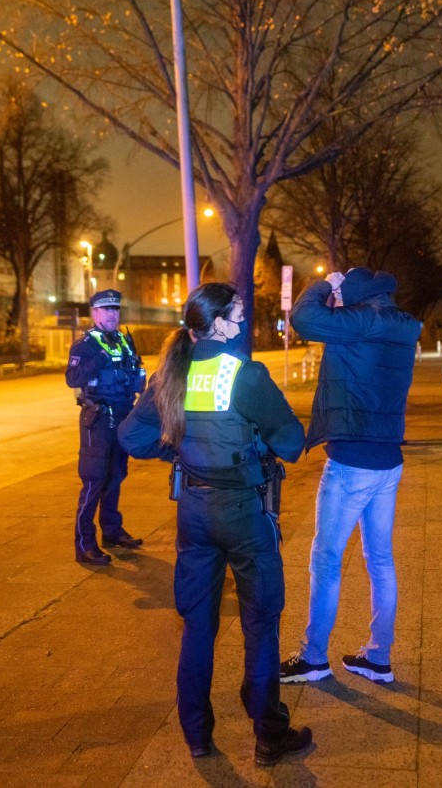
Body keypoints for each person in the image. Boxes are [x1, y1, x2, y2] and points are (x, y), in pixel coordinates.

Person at [117, 282, 312, 766]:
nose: (243, 322)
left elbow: (132, 438)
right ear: (218, 323)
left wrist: (183, 449)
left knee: (197, 627)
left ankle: (198, 736)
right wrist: (253, 448)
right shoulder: (244, 375)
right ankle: (269, 735)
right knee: (261, 625)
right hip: (244, 511)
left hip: (195, 514)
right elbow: (292, 443)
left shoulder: (169, 375)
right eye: (238, 314)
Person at [279, 268, 421, 686]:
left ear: (355, 293)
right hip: (387, 459)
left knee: (325, 559)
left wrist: (326, 283)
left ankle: (313, 657)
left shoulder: (361, 321)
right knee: (380, 560)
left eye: (343, 294)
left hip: (351, 459)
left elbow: (303, 318)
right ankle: (378, 656)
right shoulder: (402, 325)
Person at [65, 289, 146, 565]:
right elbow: (72, 378)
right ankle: (85, 544)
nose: (112, 314)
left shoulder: (124, 341)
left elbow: (136, 372)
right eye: (106, 309)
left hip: (122, 417)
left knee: (116, 477)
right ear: (95, 313)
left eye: (115, 309)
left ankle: (112, 531)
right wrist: (98, 359)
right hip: (97, 421)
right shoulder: (85, 344)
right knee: (94, 480)